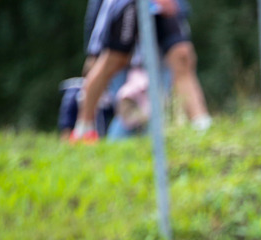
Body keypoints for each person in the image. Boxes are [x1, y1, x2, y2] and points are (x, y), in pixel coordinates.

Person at [70, 0, 210, 143]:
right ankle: (83, 128)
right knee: (115, 60)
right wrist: (92, 49)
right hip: (127, 3)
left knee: (182, 56)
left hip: (162, 4)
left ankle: (201, 124)